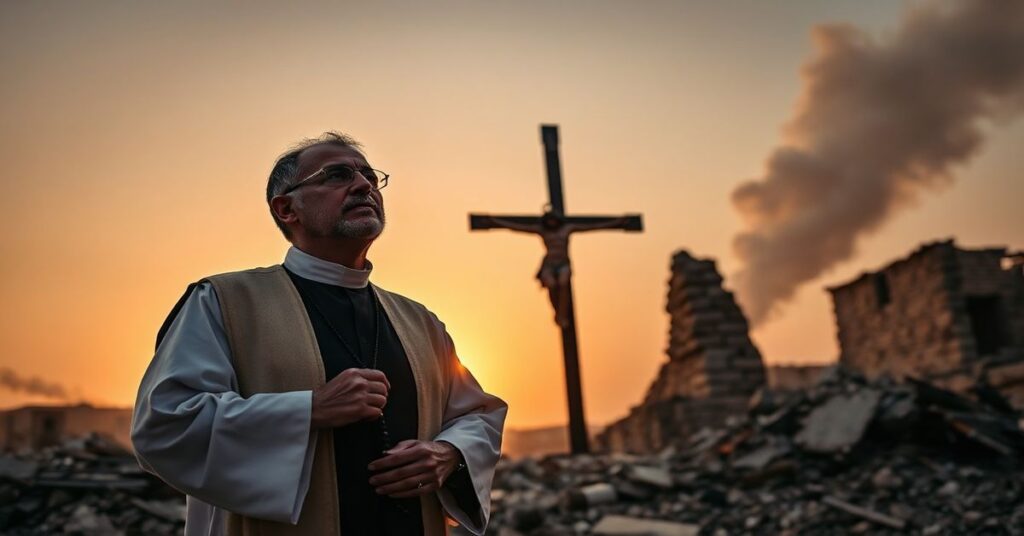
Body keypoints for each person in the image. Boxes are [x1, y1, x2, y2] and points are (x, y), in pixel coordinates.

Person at [131, 132, 507, 536]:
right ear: (287, 208)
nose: (363, 185)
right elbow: (166, 424)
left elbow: (478, 416)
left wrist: (448, 453)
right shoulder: (225, 302)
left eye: (369, 176)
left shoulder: (420, 322)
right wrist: (308, 410)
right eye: (337, 175)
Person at [485, 212, 628, 327]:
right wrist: (496, 222)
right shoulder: (542, 231)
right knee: (552, 285)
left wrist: (616, 222)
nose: (552, 223)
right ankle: (558, 312)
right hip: (549, 264)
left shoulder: (567, 229)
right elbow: (517, 227)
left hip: (563, 263)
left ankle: (562, 315)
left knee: (563, 283)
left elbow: (593, 226)